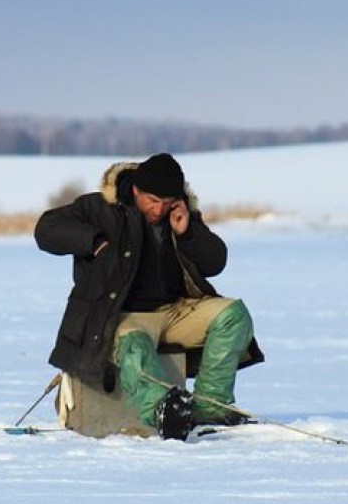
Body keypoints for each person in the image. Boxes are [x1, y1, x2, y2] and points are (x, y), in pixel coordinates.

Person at [34, 153, 263, 440]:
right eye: (153, 201)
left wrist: (188, 231)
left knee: (233, 315)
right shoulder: (100, 208)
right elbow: (45, 229)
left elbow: (215, 263)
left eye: (167, 203)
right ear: (135, 190)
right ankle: (164, 411)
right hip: (117, 316)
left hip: (173, 311)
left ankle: (209, 410)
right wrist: (92, 242)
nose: (159, 209)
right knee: (135, 346)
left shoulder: (179, 215)